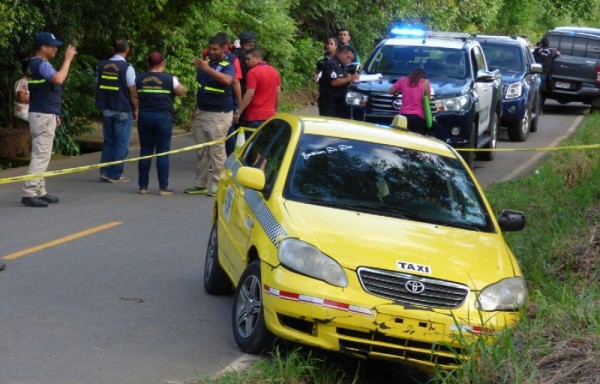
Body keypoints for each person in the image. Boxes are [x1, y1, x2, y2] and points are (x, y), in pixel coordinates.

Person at [21, 32, 77, 208]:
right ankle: (30, 192)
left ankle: (40, 190)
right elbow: (58, 79)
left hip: (44, 113)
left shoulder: (35, 64)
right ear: (43, 48)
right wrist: (68, 60)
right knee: (41, 155)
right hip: (43, 114)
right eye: (52, 46)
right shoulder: (41, 64)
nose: (56, 49)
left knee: (42, 154)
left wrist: (55, 115)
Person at [184, 35, 235, 196]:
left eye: (215, 49)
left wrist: (207, 69)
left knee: (217, 151)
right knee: (200, 150)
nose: (211, 52)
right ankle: (200, 184)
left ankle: (217, 185)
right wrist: (195, 111)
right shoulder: (204, 65)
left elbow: (228, 81)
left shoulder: (228, 65)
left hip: (219, 114)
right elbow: (201, 89)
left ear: (223, 49)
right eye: (210, 48)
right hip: (202, 112)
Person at [135, 51, 185, 196]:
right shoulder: (170, 79)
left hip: (144, 116)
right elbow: (181, 92)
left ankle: (143, 186)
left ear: (147, 64)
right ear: (162, 64)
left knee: (145, 152)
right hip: (163, 117)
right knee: (163, 153)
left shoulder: (139, 78)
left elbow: (134, 94)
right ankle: (163, 187)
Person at [95, 36, 139, 183]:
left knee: (109, 142)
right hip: (122, 109)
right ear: (127, 50)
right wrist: (136, 109)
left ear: (112, 50)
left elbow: (98, 83)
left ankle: (105, 171)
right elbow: (132, 91)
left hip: (106, 109)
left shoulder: (101, 65)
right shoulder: (127, 68)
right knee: (121, 144)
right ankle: (116, 174)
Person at [237, 48, 281, 130]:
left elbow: (250, 94)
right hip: (270, 115)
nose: (246, 61)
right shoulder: (274, 71)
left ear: (257, 58)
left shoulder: (252, 72)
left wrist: (239, 111)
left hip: (255, 116)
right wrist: (276, 110)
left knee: (252, 141)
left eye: (248, 59)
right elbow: (278, 92)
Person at [317, 45, 360, 118]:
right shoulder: (331, 63)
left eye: (351, 59)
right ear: (342, 53)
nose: (349, 61)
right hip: (329, 102)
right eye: (348, 57)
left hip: (338, 101)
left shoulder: (341, 65)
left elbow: (343, 75)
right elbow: (334, 82)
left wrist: (349, 76)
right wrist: (351, 78)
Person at [388, 67, 432, 135]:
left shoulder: (403, 80)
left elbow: (390, 91)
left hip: (403, 116)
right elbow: (428, 100)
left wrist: (398, 92)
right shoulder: (426, 82)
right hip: (418, 117)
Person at [533, 37, 560, 112]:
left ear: (541, 43)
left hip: (536, 72)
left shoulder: (537, 50)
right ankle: (540, 108)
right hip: (546, 73)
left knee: (537, 91)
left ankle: (535, 108)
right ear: (548, 44)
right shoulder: (551, 52)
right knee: (542, 92)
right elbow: (558, 53)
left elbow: (532, 52)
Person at [14, 60, 30, 129]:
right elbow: (22, 98)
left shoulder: (27, 82)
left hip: (26, 117)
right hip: (23, 117)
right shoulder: (22, 81)